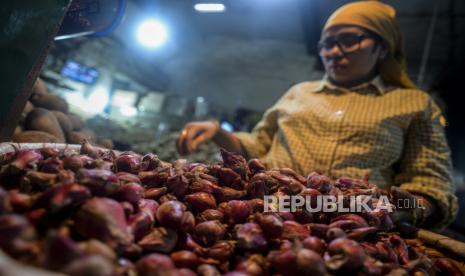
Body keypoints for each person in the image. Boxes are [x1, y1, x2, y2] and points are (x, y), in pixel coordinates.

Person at [176, 1, 457, 230]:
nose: (333, 52)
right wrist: (218, 131)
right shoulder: (298, 93)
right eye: (326, 44)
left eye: (349, 40)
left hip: (355, 228)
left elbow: (432, 189)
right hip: (268, 215)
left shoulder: (415, 104)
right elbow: (258, 147)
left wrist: (397, 209)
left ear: (382, 47)